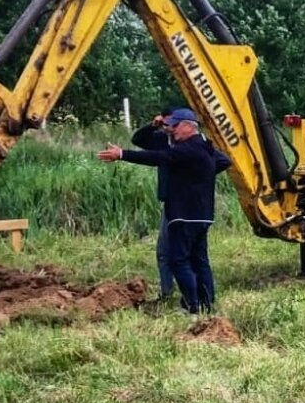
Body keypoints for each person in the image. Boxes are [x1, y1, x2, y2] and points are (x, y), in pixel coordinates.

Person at [99, 108, 231, 314]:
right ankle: (207, 303)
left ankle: (192, 306)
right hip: (203, 215)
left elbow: (155, 157)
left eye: (175, 126)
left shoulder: (186, 149)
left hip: (184, 215)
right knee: (200, 261)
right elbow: (145, 143)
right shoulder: (205, 147)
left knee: (179, 260)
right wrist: (199, 176)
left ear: (189, 126)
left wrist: (121, 154)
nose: (171, 130)